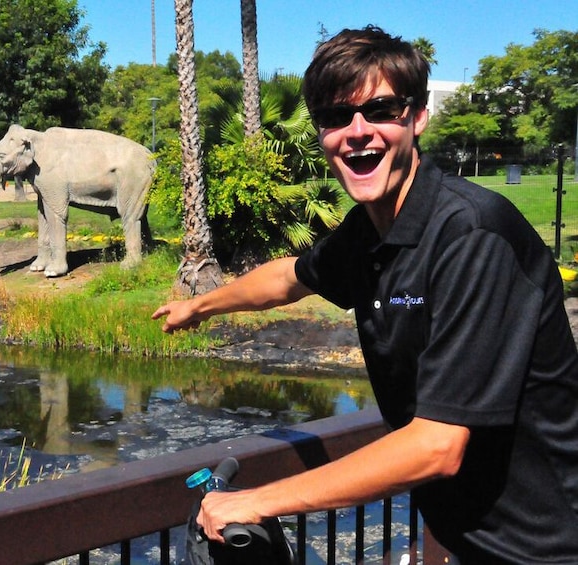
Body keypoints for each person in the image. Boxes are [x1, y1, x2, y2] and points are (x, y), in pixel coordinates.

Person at [152, 26, 578, 563]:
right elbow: (289, 277)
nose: (357, 132)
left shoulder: (471, 235)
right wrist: (200, 306)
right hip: (467, 539)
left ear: (417, 117)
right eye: (335, 118)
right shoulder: (368, 232)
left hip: (547, 549)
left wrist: (258, 502)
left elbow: (437, 445)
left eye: (380, 110)